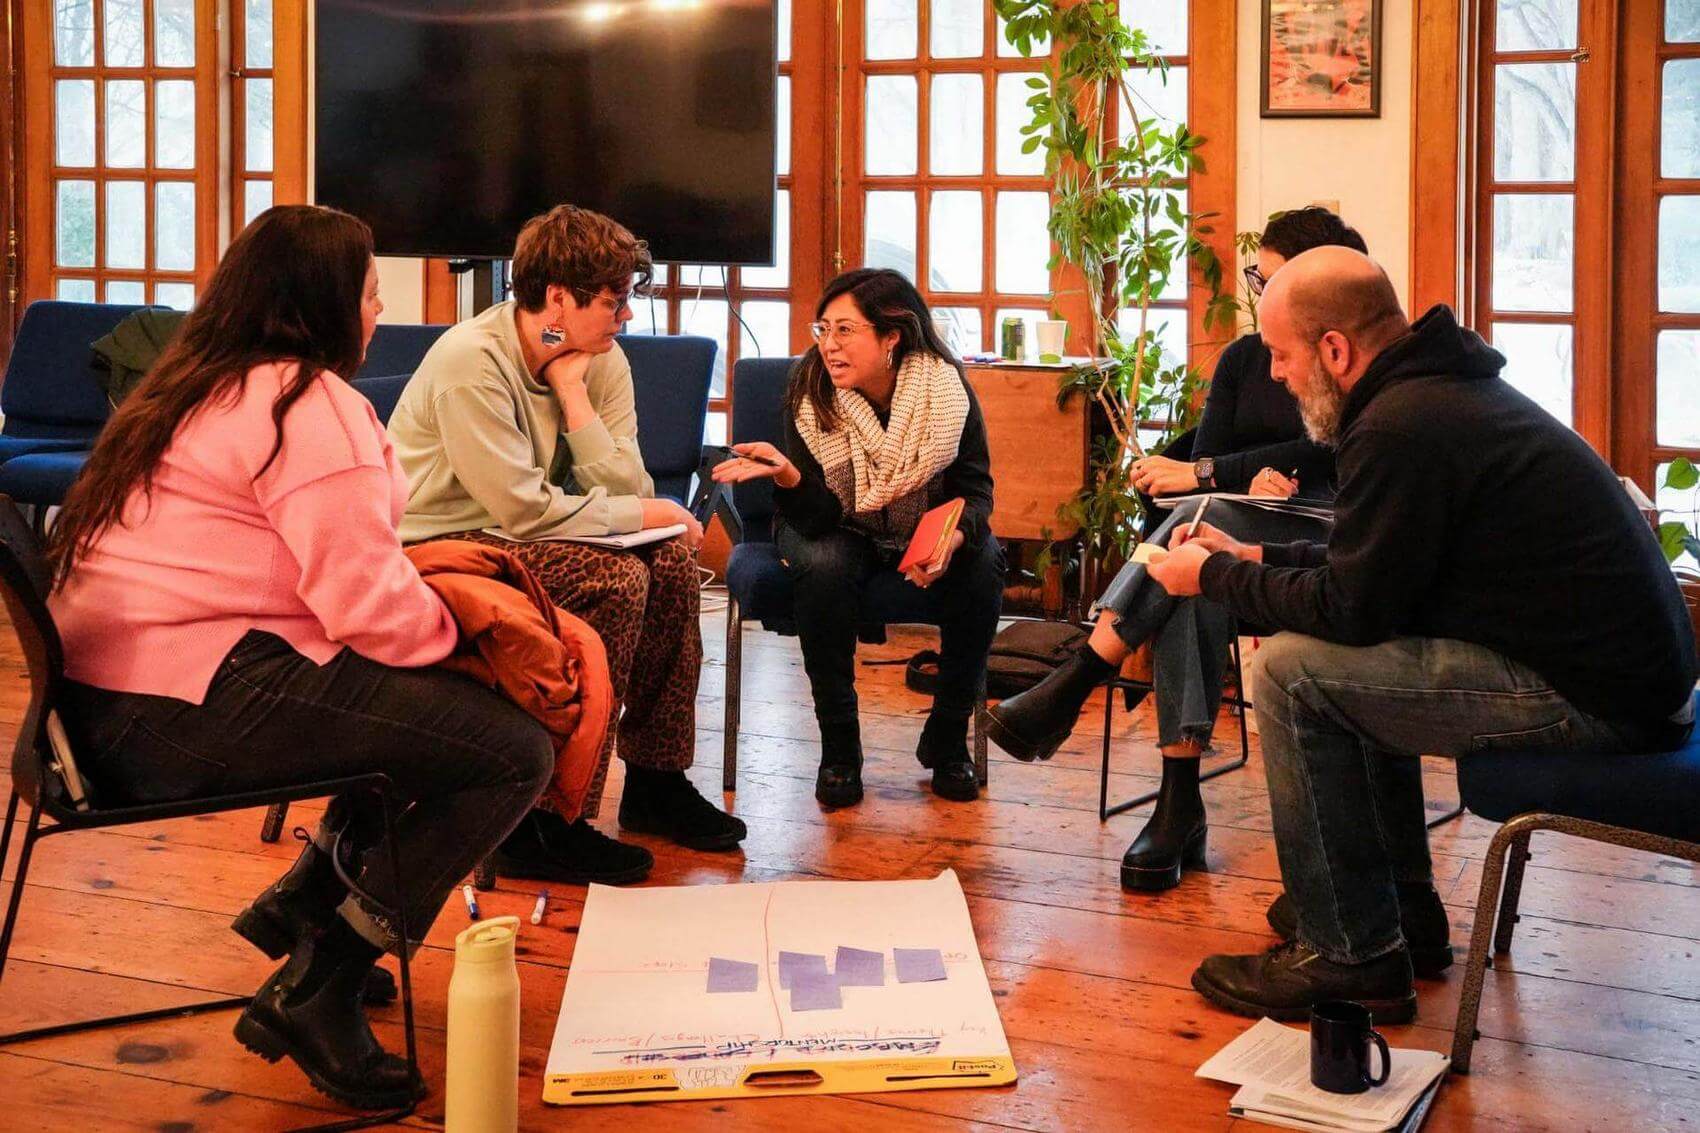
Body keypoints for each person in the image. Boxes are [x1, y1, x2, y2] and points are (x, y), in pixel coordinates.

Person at [46, 205, 554, 1111]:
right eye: (368, 291)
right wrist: (463, 635)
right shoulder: (306, 407)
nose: (378, 307)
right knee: (509, 750)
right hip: (178, 714)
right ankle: (321, 978)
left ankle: (307, 906)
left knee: (412, 721)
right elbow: (366, 607)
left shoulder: (190, 384)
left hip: (90, 716)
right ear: (321, 305)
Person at [1143, 246, 1697, 1022]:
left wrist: (1211, 578)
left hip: (1601, 700)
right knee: (1339, 665)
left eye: (1281, 353)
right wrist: (1254, 553)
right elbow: (1379, 571)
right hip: (1626, 680)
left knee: (1291, 673)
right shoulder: (1431, 395)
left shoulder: (1401, 423)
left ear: (1335, 349)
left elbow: (1352, 608)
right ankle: (1401, 914)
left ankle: (1349, 954)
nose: (1273, 372)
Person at [985, 207, 1368, 893]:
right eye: (1258, 277)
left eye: (1269, 277)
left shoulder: (1349, 358)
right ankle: (1176, 798)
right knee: (1194, 549)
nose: (1258, 293)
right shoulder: (1246, 357)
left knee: (1202, 514)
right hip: (1236, 526)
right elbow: (1218, 452)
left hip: (1321, 538)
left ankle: (1085, 680)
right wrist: (1233, 475)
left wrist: (1219, 476)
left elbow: (1328, 455)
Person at [390, 203, 745, 885]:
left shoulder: (597, 360)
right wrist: (636, 508)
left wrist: (572, 395)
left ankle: (655, 779)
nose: (628, 317)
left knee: (669, 562)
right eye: (615, 302)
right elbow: (523, 509)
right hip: (438, 546)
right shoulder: (472, 360)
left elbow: (630, 480)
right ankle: (545, 817)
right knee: (615, 578)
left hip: (521, 533)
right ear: (557, 296)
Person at [711, 268, 1002, 807]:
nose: (829, 345)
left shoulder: (945, 390)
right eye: (823, 329)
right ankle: (840, 748)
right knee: (824, 560)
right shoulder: (810, 391)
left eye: (846, 330)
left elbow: (976, 492)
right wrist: (788, 475)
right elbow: (819, 517)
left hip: (920, 532)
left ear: (891, 335)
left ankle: (948, 734)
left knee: (984, 562)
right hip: (833, 524)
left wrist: (948, 542)